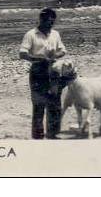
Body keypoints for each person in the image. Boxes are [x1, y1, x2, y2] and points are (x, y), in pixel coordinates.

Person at [19, 7, 67, 139]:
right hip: (38, 72)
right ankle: (38, 136)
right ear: (41, 20)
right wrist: (38, 59)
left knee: (55, 104)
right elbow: (22, 54)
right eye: (47, 21)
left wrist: (56, 54)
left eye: (52, 22)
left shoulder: (55, 34)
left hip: (54, 71)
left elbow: (63, 50)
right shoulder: (31, 34)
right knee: (39, 105)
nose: (50, 24)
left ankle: (53, 134)